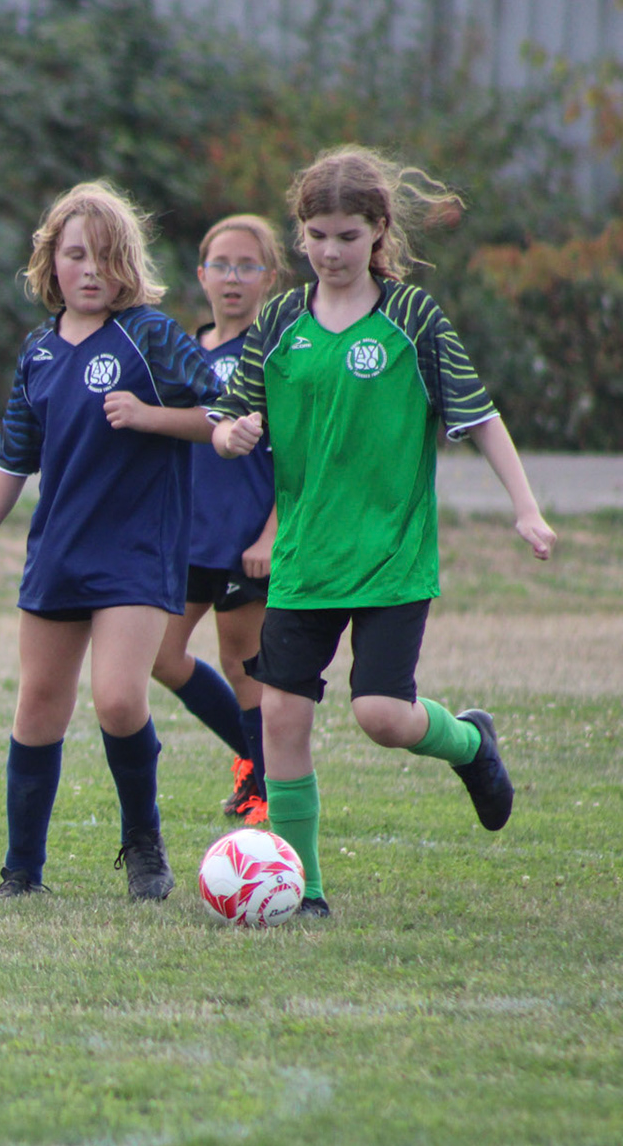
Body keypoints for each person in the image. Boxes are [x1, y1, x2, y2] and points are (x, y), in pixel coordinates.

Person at [209, 145, 556, 918]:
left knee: (382, 717)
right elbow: (230, 417)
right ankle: (304, 891)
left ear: (377, 232)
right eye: (317, 236)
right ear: (300, 234)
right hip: (304, 558)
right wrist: (232, 434)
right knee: (281, 718)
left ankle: (470, 743)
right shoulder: (279, 321)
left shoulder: (411, 318)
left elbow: (479, 415)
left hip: (392, 557)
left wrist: (525, 507)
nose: (331, 252)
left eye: (347, 236)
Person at [0, 180, 224, 902]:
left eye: (105, 255)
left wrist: (150, 416)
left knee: (119, 701)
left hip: (137, 550)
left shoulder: (150, 334)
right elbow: (13, 458)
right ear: (52, 262)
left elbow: (222, 416)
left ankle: (144, 848)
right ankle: (22, 873)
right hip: (59, 551)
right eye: (76, 255)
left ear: (127, 262)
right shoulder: (39, 351)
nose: (91, 269)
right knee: (39, 704)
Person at [150, 214, 285, 825]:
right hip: (186, 537)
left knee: (241, 664)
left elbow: (302, 459)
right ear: (201, 274)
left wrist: (271, 534)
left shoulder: (274, 354)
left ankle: (265, 785)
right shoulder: (183, 351)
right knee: (161, 656)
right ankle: (258, 759)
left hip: (245, 540)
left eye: (247, 266)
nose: (233, 278)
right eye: (222, 265)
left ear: (269, 277)